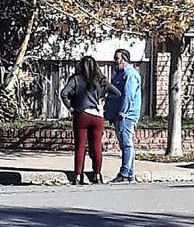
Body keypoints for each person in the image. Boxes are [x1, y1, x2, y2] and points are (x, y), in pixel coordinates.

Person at [60, 56, 121, 185]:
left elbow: (64, 93)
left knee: (80, 146)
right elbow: (117, 93)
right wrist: (103, 100)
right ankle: (97, 174)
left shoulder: (76, 80)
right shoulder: (101, 81)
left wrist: (70, 107)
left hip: (82, 114)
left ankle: (78, 175)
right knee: (97, 146)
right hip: (97, 116)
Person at [105, 48, 142, 184]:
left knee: (127, 144)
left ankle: (125, 172)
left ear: (124, 59)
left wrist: (123, 112)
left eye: (117, 59)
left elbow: (128, 95)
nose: (115, 62)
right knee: (124, 145)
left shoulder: (130, 74)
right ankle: (129, 173)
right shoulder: (119, 74)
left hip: (126, 116)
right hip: (117, 115)